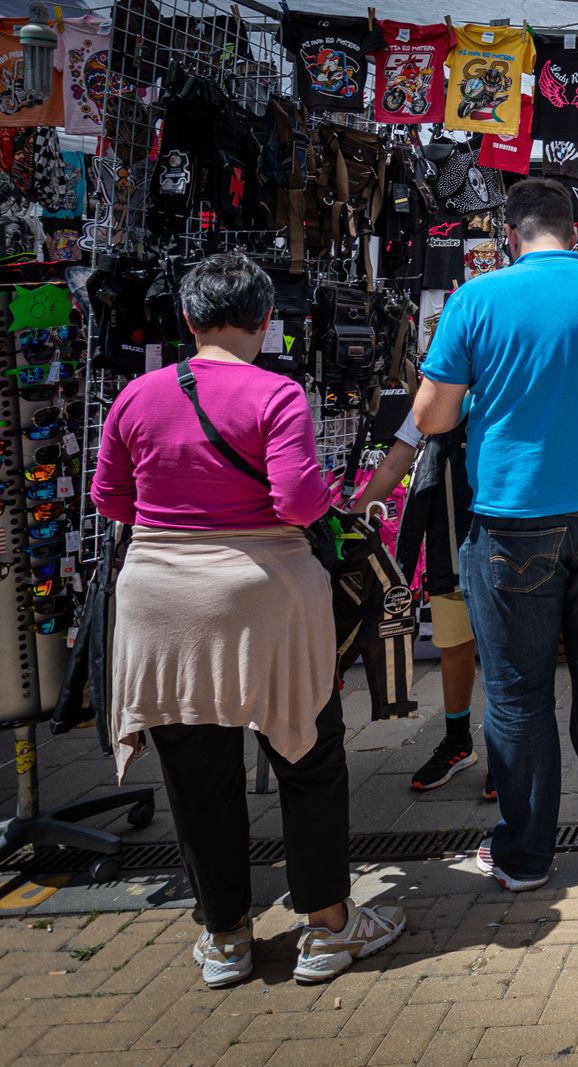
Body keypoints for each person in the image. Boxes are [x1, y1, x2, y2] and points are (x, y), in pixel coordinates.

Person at [91, 253, 404, 989]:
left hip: (161, 603)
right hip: (265, 597)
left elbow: (111, 501)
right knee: (308, 759)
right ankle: (327, 927)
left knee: (197, 775)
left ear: (188, 319)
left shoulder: (135, 396)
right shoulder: (278, 393)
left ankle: (226, 936)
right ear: (266, 321)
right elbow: (298, 502)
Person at [413, 177, 578, 892]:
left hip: (516, 518)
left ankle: (526, 855)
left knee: (522, 691)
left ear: (509, 235)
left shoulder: (476, 299)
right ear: (576, 231)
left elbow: (432, 417)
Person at [351, 412, 488, 798]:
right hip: (451, 540)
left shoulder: (504, 376)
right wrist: (353, 518)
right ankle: (458, 742)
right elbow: (398, 458)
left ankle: (511, 752)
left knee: (504, 651)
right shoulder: (439, 395)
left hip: (506, 534)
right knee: (454, 645)